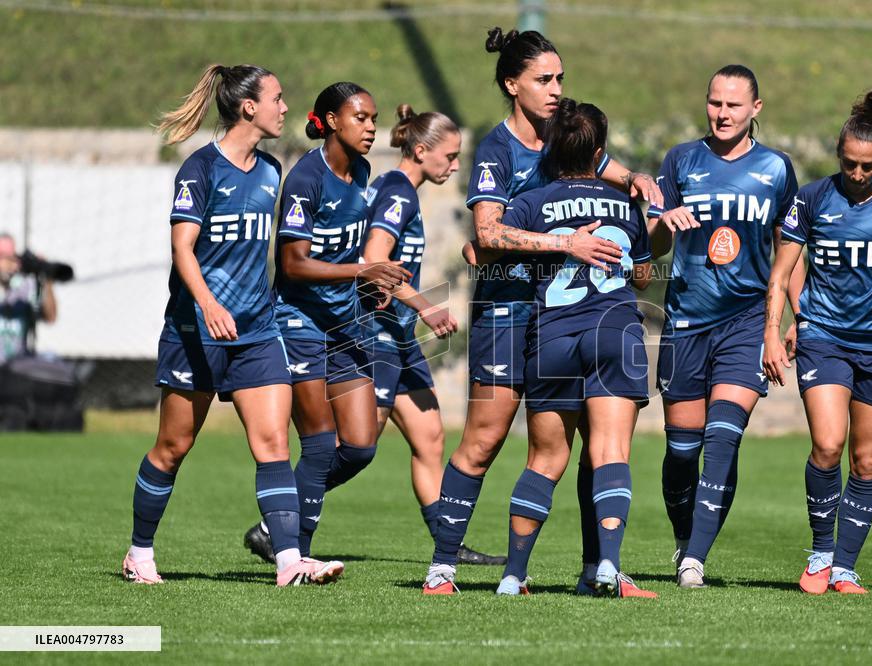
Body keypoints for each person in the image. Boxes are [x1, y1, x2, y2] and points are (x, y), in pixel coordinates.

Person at [423, 25, 662, 595]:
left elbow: (612, 172)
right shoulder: (497, 150)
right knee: (483, 440)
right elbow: (485, 234)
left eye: (560, 78)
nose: (555, 89)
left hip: (565, 318)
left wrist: (638, 179)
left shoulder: (565, 140)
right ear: (513, 85)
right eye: (543, 79)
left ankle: (598, 568)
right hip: (508, 314)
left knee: (590, 448)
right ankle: (442, 566)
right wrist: (566, 243)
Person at [123, 64, 341, 586]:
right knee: (173, 447)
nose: (285, 108)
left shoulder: (271, 172)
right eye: (278, 98)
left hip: (259, 331)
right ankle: (139, 552)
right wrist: (208, 304)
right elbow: (182, 249)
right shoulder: (199, 170)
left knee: (273, 446)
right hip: (195, 331)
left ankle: (289, 562)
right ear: (249, 107)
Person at [763, 88, 872, 594]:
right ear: (838, 155)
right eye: (849, 163)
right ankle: (821, 553)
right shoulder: (813, 198)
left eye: (866, 166)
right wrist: (772, 336)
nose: (857, 174)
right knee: (827, 443)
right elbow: (780, 275)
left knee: (866, 461)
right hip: (823, 337)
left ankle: (844, 566)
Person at [482, 98, 656, 597]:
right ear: (600, 152)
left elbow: (489, 241)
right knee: (609, 451)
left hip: (552, 334)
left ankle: (514, 575)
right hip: (613, 332)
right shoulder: (624, 206)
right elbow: (643, 277)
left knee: (544, 460)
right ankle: (608, 567)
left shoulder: (533, 202)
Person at [241, 83, 411, 565]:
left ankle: (276, 524)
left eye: (374, 118)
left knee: (359, 447)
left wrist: (368, 282)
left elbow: (347, 250)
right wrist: (364, 270)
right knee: (317, 443)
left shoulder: (361, 170)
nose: (372, 127)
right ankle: (296, 553)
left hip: (345, 322)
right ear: (333, 121)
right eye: (361, 118)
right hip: (298, 322)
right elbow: (293, 265)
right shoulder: (304, 179)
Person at [647, 64, 800, 588]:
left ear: (756, 109)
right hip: (687, 321)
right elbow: (653, 246)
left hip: (747, 321)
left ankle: (696, 558)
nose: (723, 113)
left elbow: (790, 250)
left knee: (724, 436)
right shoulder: (681, 160)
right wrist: (660, 222)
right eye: (715, 102)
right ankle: (684, 539)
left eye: (734, 105)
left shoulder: (777, 169)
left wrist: (793, 318)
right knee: (681, 452)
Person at [361, 105, 502, 564]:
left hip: (398, 336)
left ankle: (449, 544)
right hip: (374, 331)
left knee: (429, 437)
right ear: (421, 151)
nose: (457, 164)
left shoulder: (402, 190)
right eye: (451, 155)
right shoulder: (397, 192)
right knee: (357, 447)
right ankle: (280, 527)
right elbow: (373, 263)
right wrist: (426, 309)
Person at [0, 233, 57, 364]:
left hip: (17, 369)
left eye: (12, 259)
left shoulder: (23, 289)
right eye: (4, 259)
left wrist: (46, 280)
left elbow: (51, 317)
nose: (9, 265)